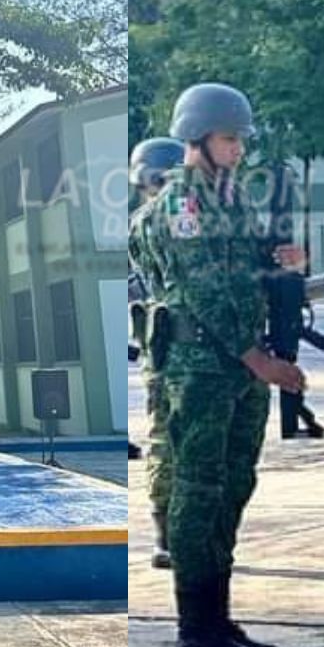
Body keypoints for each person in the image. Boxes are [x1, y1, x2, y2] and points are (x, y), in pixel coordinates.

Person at [139, 82, 306, 647]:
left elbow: (242, 269)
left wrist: (281, 262)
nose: (238, 149)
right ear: (199, 138)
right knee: (198, 492)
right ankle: (195, 630)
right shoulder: (183, 203)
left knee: (234, 486)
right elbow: (207, 288)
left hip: (238, 368)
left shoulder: (230, 197)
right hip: (203, 368)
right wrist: (261, 362)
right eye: (230, 138)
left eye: (240, 140)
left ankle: (218, 616)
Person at [129, 136, 187, 569]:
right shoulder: (155, 219)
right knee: (167, 442)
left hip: (169, 347)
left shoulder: (144, 221)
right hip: (173, 349)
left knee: (171, 441)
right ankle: (167, 534)